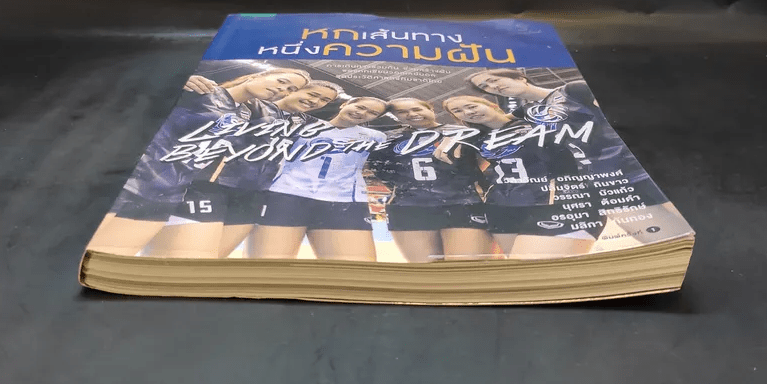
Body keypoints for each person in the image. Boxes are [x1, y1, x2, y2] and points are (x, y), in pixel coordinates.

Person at [88, 67, 312, 257]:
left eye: (290, 90)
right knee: (83, 257)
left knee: (112, 261)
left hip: (168, 195)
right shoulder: (198, 91)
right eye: (282, 82)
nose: (283, 90)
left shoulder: (246, 114)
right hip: (130, 185)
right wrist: (174, 81)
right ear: (257, 75)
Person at [467, 68, 686, 243]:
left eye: (493, 79)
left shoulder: (574, 90)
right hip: (603, 182)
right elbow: (493, 120)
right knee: (661, 241)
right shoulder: (526, 112)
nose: (493, 86)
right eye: (486, 87)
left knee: (691, 223)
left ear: (519, 77)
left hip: (637, 168)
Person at [443, 95, 596, 258]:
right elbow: (469, 173)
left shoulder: (533, 119)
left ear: (490, 105)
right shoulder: (476, 139)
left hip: (551, 200)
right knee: (519, 264)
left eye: (472, 106)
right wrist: (454, 142)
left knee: (534, 262)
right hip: (502, 206)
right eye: (457, 111)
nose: (467, 112)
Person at [247, 97, 388, 261]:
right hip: (286, 195)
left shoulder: (377, 137)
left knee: (357, 267)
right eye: (360, 107)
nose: (362, 113)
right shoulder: (302, 127)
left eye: (372, 113)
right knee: (267, 264)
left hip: (344, 202)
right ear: (344, 104)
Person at [367, 98, 492, 262]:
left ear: (431, 108)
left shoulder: (465, 133)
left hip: (462, 204)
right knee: (426, 269)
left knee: (466, 266)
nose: (411, 114)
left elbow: (484, 159)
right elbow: (382, 170)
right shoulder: (388, 138)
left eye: (417, 109)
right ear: (396, 116)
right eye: (402, 112)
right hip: (409, 207)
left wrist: (464, 177)